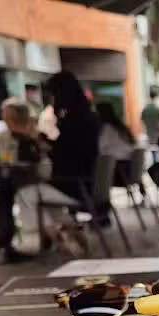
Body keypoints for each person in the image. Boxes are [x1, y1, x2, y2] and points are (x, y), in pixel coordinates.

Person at [0, 99, 40, 264]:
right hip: (13, 178)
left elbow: (33, 161)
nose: (6, 121)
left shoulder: (31, 134)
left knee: (1, 193)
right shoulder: (3, 135)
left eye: (9, 117)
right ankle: (2, 243)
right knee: (1, 192)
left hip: (31, 180)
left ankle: (2, 243)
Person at [44, 71, 99, 223]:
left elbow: (65, 154)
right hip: (88, 183)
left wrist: (42, 144)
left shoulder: (74, 120)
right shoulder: (88, 116)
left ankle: (56, 231)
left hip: (75, 185)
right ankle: (63, 229)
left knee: (27, 190)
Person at [95, 102, 136, 187]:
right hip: (129, 171)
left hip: (117, 174)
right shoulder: (121, 127)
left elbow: (100, 149)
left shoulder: (107, 128)